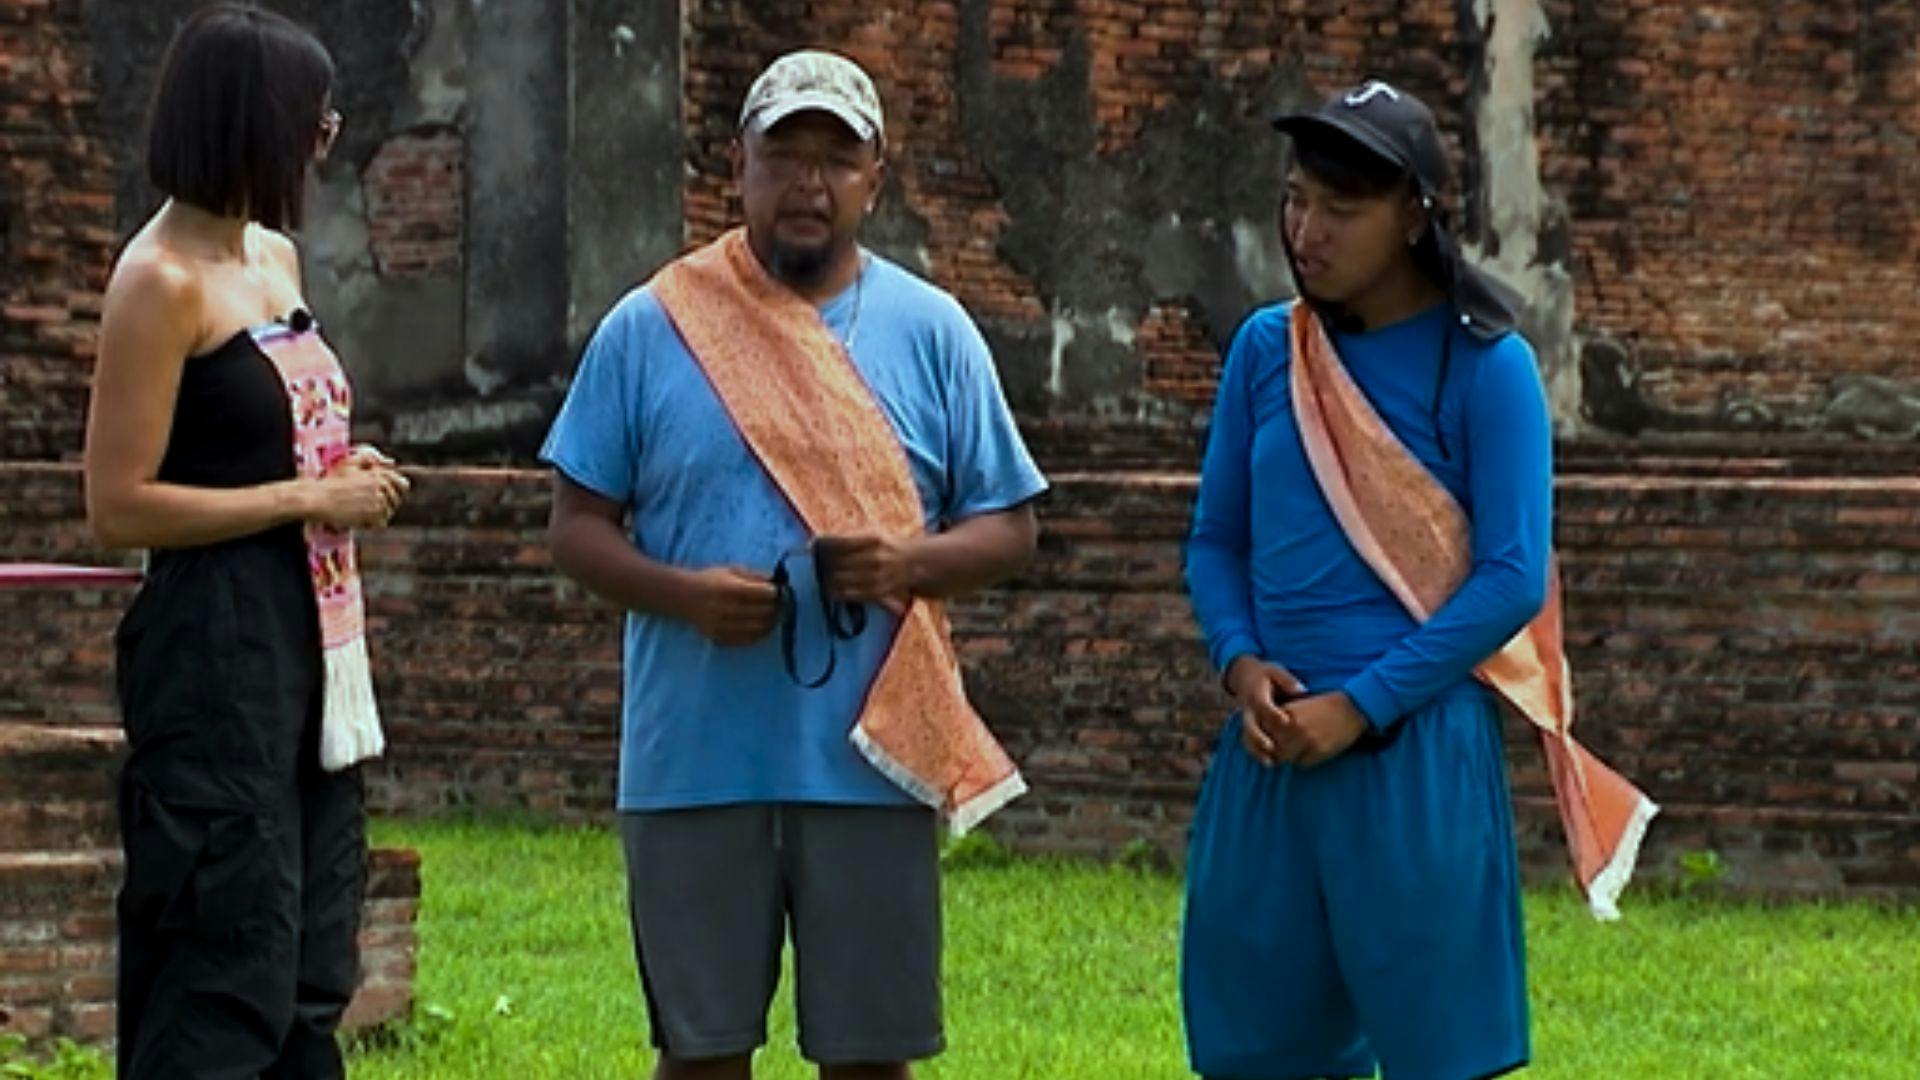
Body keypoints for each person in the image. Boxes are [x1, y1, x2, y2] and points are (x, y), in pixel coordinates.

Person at [542, 49, 1047, 1080]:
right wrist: (683, 595)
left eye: (835, 159)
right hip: (693, 761)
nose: (808, 184)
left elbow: (1010, 526)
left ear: (876, 177)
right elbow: (575, 526)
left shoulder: (934, 331)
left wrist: (907, 559)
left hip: (871, 757)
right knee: (701, 1055)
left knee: (870, 1060)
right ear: (738, 165)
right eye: (784, 157)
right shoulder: (652, 325)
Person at [1180, 80, 1654, 1080]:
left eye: (1340, 210)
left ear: (1412, 218)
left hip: (1415, 757)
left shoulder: (1487, 368)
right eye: (1296, 198)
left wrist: (1362, 705)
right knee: (1255, 1050)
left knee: (1441, 1054)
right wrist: (1239, 662)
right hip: (1270, 755)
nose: (1306, 230)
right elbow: (1216, 541)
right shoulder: (1269, 351)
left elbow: (1513, 579)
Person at [82, 5, 408, 1076]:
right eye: (312, 119)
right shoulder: (160, 283)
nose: (328, 135)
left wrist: (333, 482)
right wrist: (298, 502)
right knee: (227, 946)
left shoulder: (274, 257)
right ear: (250, 125)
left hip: (313, 639)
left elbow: (281, 441)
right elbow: (119, 505)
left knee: (314, 957)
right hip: (214, 645)